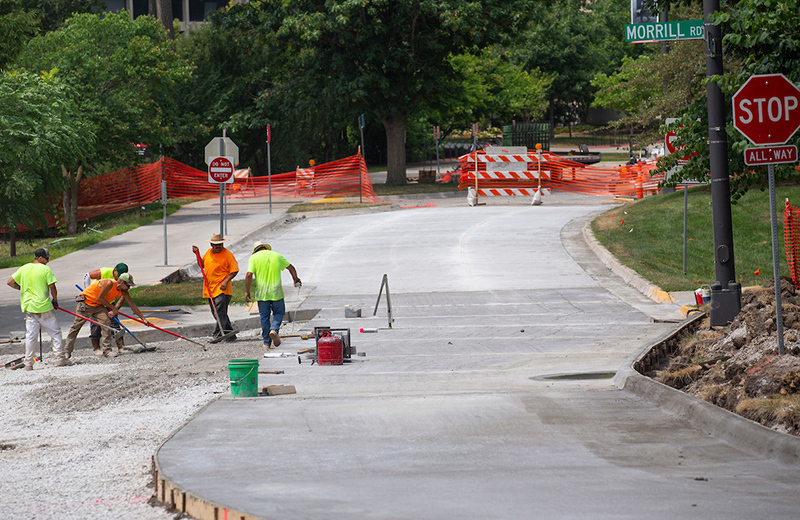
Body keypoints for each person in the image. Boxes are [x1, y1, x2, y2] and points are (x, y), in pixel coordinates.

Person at [7, 248, 72, 370]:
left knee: (31, 336)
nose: (48, 261)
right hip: (44, 306)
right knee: (55, 332)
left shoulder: (24, 268)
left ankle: (28, 364)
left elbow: (10, 282)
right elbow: (52, 287)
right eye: (47, 258)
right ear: (40, 258)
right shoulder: (45, 269)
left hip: (29, 307)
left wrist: (22, 288)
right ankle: (60, 359)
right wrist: (55, 300)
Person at [64, 272, 150, 357]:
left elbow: (132, 305)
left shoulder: (123, 292)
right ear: (122, 282)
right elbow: (100, 298)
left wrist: (143, 319)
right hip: (85, 303)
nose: (129, 288)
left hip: (98, 305)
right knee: (76, 326)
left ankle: (107, 351)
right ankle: (67, 351)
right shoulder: (109, 283)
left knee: (106, 323)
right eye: (128, 285)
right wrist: (113, 308)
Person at [244, 241, 301, 349]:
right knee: (279, 313)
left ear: (255, 250)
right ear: (266, 248)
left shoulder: (254, 258)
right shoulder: (277, 255)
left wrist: (247, 291)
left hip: (262, 293)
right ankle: (274, 329)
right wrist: (295, 279)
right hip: (276, 291)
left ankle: (266, 343)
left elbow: (248, 275)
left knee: (264, 317)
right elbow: (291, 267)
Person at [192, 233, 239, 341]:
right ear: (211, 245)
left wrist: (226, 281)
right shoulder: (208, 253)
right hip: (210, 288)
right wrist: (197, 254)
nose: (218, 246)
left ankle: (217, 334)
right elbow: (202, 265)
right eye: (216, 245)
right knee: (217, 312)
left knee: (219, 311)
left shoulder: (227, 254)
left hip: (222, 288)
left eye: (220, 244)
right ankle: (230, 334)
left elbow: (235, 270)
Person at [82, 263, 129, 355]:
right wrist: (87, 292)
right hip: (96, 301)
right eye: (118, 275)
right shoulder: (105, 272)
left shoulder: (124, 279)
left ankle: (121, 347)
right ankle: (96, 349)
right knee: (96, 324)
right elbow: (87, 276)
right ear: (115, 270)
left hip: (109, 301)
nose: (119, 278)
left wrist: (115, 309)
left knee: (114, 323)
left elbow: (124, 296)